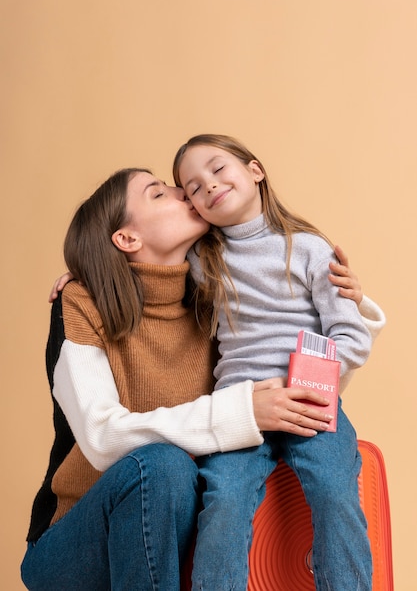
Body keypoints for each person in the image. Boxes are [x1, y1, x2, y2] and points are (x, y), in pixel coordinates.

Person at [20, 167, 383, 591]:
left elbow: (300, 390)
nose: (182, 193)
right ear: (127, 239)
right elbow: (103, 438)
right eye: (159, 193)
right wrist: (243, 410)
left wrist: (347, 303)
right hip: (74, 546)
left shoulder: (212, 301)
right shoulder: (82, 303)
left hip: (171, 534)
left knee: (207, 476)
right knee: (161, 464)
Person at [173, 134, 385, 591]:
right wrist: (85, 274)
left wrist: (299, 382)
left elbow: (350, 337)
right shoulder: (200, 262)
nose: (207, 186)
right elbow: (140, 275)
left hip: (309, 397)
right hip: (240, 406)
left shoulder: (309, 248)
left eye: (217, 169)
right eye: (192, 187)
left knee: (335, 491)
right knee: (224, 500)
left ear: (255, 170)